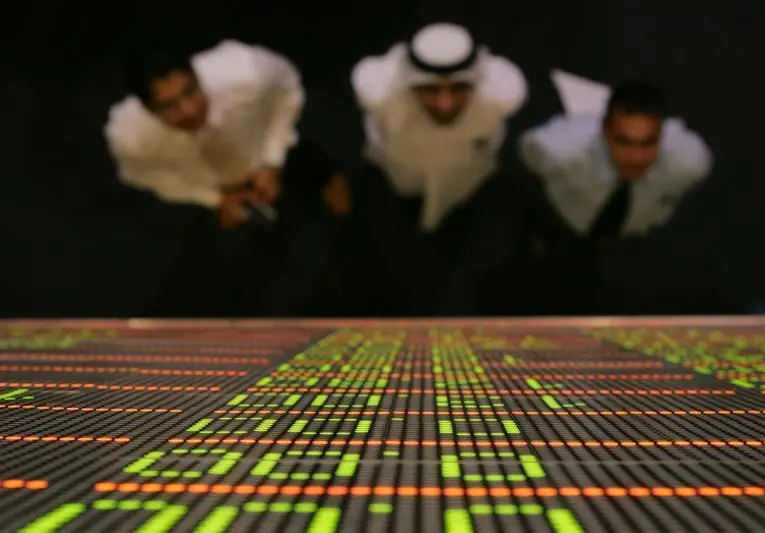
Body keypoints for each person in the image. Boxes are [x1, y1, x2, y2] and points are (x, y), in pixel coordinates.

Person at [104, 38, 350, 317]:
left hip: (276, 149)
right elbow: (141, 174)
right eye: (169, 106)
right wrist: (213, 197)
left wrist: (272, 159)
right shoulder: (128, 136)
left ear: (196, 73)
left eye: (191, 90)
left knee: (341, 223)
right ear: (147, 109)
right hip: (222, 185)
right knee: (248, 277)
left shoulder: (245, 69)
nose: (189, 110)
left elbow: (287, 88)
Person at [345, 23, 528, 316]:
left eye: (459, 88)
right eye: (429, 89)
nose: (445, 104)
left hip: (468, 199)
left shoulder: (501, 94)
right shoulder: (380, 93)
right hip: (396, 194)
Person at [516, 81, 713, 313]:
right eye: (624, 142)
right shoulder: (557, 150)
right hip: (559, 231)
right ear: (605, 131)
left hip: (636, 244)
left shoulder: (690, 162)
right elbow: (527, 159)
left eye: (648, 143)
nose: (636, 157)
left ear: (663, 134)